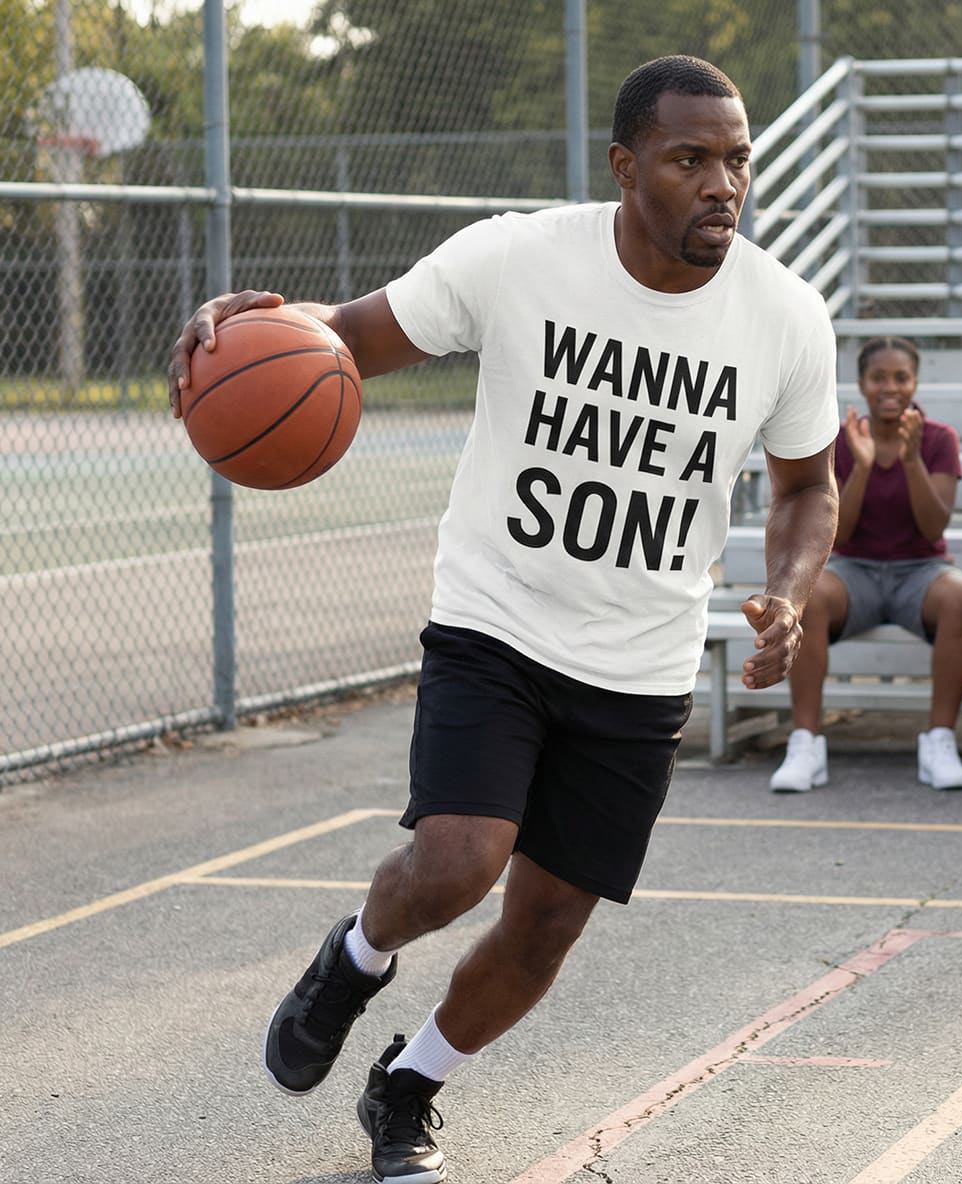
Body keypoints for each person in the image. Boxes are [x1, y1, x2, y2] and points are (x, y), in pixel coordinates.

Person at [167, 56, 839, 1184]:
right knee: (457, 860)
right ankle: (356, 954)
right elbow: (349, 339)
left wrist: (795, 584)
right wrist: (257, 327)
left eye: (737, 160)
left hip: (641, 659)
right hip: (497, 621)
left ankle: (409, 1083)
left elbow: (805, 485)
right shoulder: (517, 257)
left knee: (545, 924)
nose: (721, 182)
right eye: (689, 159)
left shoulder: (782, 314)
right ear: (625, 167)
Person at [770, 336, 962, 792]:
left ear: (915, 382)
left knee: (960, 593)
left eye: (901, 377)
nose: (891, 387)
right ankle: (805, 742)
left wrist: (910, 461)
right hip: (855, 570)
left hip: (919, 572)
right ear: (862, 384)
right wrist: (862, 468)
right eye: (879, 377)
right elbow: (837, 535)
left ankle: (939, 740)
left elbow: (932, 526)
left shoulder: (939, 439)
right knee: (812, 592)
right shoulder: (843, 440)